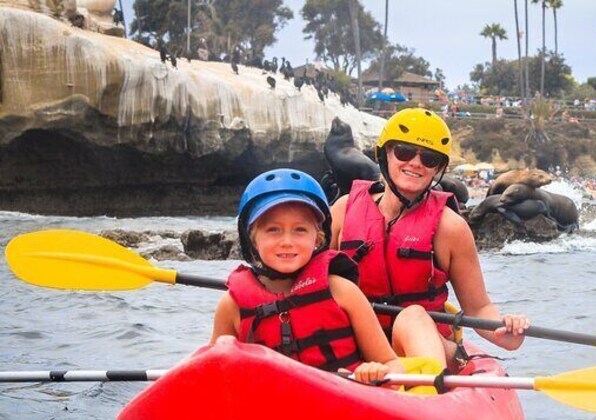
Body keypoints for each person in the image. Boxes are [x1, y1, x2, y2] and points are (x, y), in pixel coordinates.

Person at [329, 108, 529, 371]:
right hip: (359, 342)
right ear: (385, 154)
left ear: (438, 169)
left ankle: (424, 394)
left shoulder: (450, 228)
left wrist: (503, 331)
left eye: (429, 158)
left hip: (426, 344)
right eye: (403, 152)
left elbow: (479, 308)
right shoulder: (343, 210)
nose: (415, 163)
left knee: (411, 317)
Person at [211, 168, 405, 384]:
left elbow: (392, 363)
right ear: (253, 240)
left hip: (343, 406)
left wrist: (377, 371)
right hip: (270, 411)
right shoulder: (231, 306)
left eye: (300, 230)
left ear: (318, 238)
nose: (287, 241)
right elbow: (213, 374)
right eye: (273, 230)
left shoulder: (342, 291)